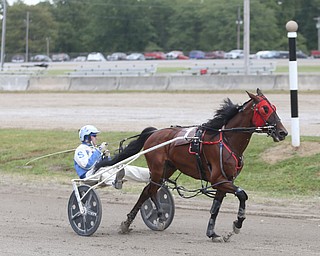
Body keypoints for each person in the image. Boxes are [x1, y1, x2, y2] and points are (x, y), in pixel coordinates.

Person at [74, 125, 150, 189]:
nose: (96, 138)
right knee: (103, 172)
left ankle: (149, 175)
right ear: (87, 137)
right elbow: (87, 165)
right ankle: (114, 182)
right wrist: (99, 151)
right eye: (94, 136)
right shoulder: (80, 150)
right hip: (88, 176)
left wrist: (106, 157)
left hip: (100, 171)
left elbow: (104, 164)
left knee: (121, 167)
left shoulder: (94, 148)